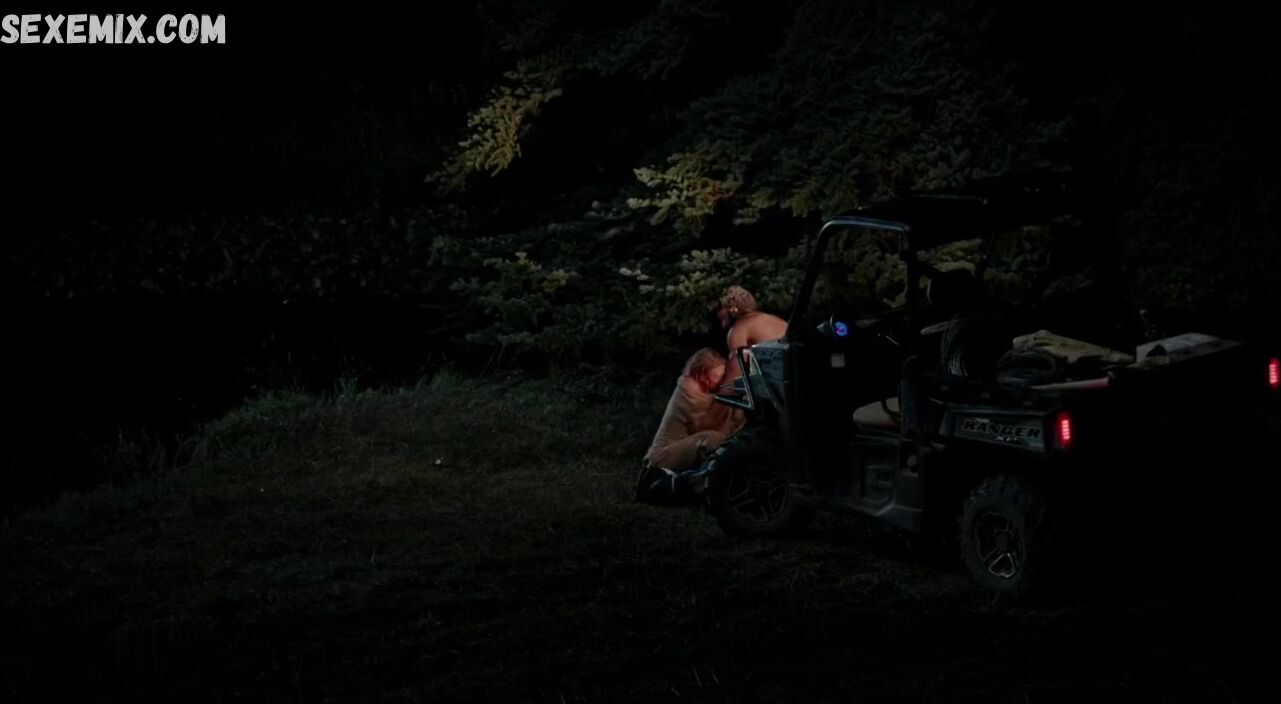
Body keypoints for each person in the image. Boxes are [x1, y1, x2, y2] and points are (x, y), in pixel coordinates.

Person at [634, 348, 741, 504]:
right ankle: (700, 489)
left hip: (685, 448)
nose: (720, 381)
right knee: (712, 440)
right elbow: (704, 421)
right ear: (701, 374)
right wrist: (733, 397)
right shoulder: (688, 388)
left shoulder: (710, 392)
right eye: (716, 376)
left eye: (722, 375)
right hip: (664, 456)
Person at [714, 285, 788, 387]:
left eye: (721, 310)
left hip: (776, 385)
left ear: (732, 308)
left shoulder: (739, 329)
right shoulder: (775, 320)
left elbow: (737, 371)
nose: (723, 324)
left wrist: (723, 391)